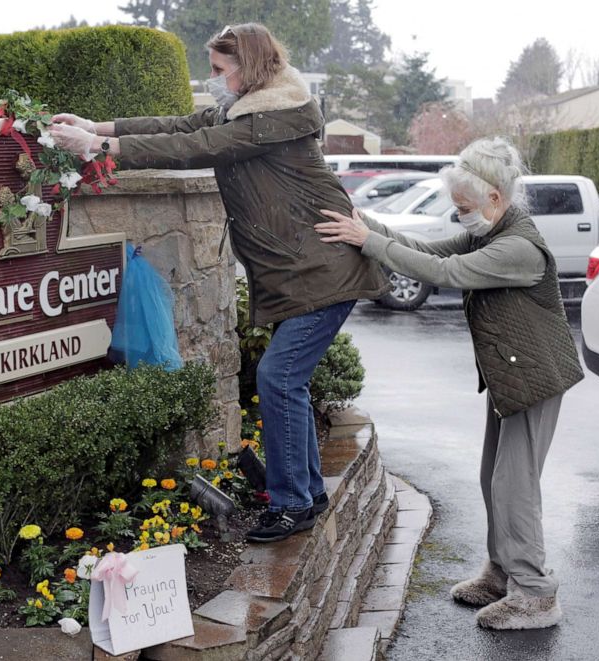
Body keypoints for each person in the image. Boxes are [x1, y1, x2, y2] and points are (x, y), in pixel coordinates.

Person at [48, 23, 388, 543]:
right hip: (302, 275)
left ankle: (292, 504)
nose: (211, 80)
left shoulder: (273, 118)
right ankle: (308, 493)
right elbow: (181, 123)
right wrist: (102, 126)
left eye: (218, 70)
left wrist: (97, 147)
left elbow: (195, 146)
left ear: (247, 69)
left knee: (278, 379)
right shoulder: (246, 108)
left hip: (325, 271)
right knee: (286, 380)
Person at [315, 137, 584, 630]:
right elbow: (421, 247)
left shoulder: (518, 247)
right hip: (511, 371)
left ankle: (536, 594)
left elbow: (444, 270)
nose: (460, 216)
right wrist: (361, 223)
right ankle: (502, 573)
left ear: (495, 199)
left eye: (465, 207)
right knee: (493, 478)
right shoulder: (489, 231)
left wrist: (367, 241)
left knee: (514, 485)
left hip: (537, 375)